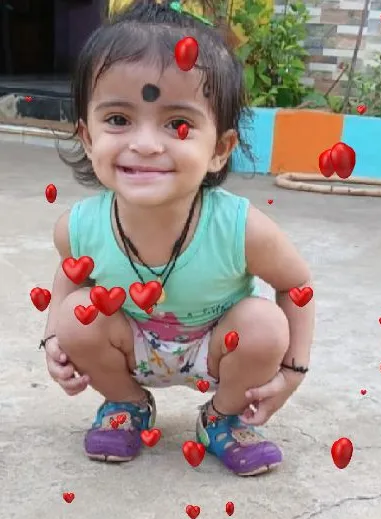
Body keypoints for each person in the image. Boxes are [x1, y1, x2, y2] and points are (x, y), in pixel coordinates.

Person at [41, 0, 314, 477]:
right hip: (132, 343)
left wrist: (292, 372)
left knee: (265, 324)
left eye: (178, 124)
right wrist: (50, 339)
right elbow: (68, 279)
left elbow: (298, 287)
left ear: (220, 149)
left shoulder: (240, 228)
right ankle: (126, 404)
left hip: (214, 346)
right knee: (75, 320)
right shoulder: (79, 226)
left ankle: (219, 418)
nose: (145, 144)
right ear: (87, 137)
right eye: (119, 120)